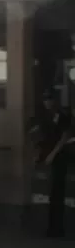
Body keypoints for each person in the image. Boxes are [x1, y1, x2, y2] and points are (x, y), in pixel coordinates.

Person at [30, 91, 71, 238]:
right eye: (45, 100)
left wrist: (53, 154)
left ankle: (57, 227)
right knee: (49, 192)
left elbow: (64, 137)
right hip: (47, 155)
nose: (48, 103)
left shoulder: (63, 116)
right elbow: (40, 137)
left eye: (50, 99)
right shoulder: (44, 117)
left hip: (59, 156)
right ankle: (50, 226)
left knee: (57, 192)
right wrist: (38, 155)